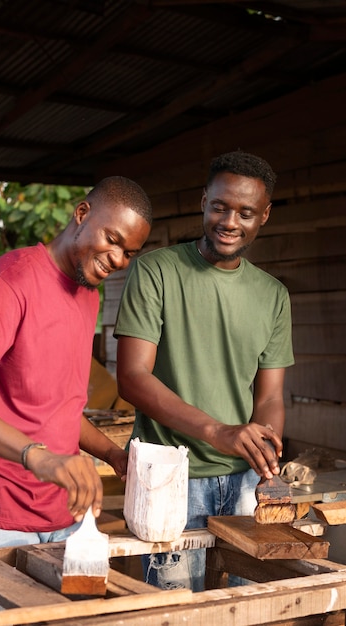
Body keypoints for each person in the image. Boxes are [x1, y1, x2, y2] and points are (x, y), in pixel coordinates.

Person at [0, 176, 152, 626]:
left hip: (64, 515)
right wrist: (34, 456)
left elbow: (58, 406)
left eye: (129, 253)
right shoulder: (10, 280)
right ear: (81, 214)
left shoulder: (87, 295)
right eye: (112, 239)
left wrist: (112, 453)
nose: (117, 259)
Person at [114, 151, 294, 591]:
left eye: (245, 212)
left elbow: (269, 396)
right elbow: (133, 378)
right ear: (203, 202)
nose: (230, 221)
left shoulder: (272, 295)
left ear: (264, 216)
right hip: (171, 478)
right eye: (220, 206)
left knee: (244, 610)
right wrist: (218, 432)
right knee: (175, 614)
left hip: (246, 483)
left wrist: (265, 454)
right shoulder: (156, 271)